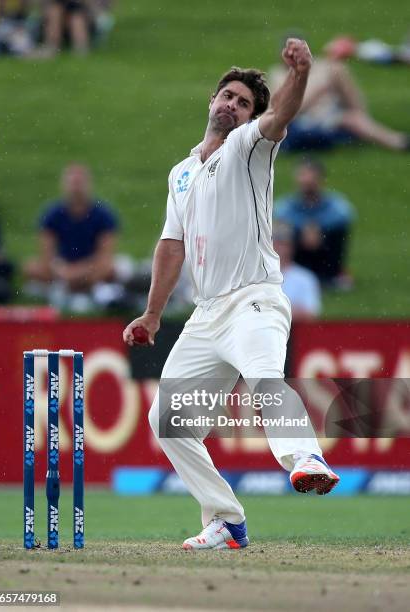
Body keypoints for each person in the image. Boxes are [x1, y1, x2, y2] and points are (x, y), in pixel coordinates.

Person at [123, 38, 340, 552]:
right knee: (168, 421)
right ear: (211, 100)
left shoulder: (249, 146)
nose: (231, 105)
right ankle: (226, 521)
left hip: (254, 300)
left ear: (249, 117)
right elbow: (170, 247)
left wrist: (301, 74)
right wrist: (153, 314)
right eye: (226, 96)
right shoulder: (180, 172)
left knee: (265, 378)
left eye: (243, 102)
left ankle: (306, 457)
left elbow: (281, 114)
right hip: (206, 313)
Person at [268, 46, 410, 152]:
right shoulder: (278, 75)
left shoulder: (318, 67)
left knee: (337, 70)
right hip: (302, 122)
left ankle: (366, 118)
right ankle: (398, 143)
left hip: (328, 112)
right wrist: (317, 94)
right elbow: (280, 113)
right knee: (353, 120)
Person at [24, 164, 121, 310]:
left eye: (80, 183)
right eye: (73, 183)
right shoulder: (52, 214)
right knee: (30, 267)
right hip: (61, 267)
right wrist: (63, 270)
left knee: (112, 268)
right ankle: (88, 291)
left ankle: (66, 291)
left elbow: (105, 254)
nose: (76, 188)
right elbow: (47, 254)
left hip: (91, 267)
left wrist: (78, 271)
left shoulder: (103, 214)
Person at [274, 158, 354, 287]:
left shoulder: (334, 203)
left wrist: (317, 227)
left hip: (324, 248)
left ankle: (331, 274)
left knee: (338, 231)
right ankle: (289, 272)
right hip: (298, 249)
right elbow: (280, 214)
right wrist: (303, 229)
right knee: (282, 231)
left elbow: (345, 214)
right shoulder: (287, 204)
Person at [272, 222, 321, 320]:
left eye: (282, 243)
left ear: (291, 247)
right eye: (273, 242)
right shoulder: (253, 276)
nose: (277, 247)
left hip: (294, 333)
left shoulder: (305, 278)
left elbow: (309, 313)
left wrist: (268, 312)